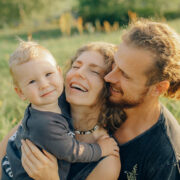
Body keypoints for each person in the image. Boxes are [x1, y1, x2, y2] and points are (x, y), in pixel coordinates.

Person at [5, 19, 180, 180]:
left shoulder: (166, 157)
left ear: (158, 88)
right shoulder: (55, 104)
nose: (111, 77)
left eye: (124, 74)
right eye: (114, 65)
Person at [0, 41, 121, 180]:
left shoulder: (107, 162)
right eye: (76, 66)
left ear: (110, 88)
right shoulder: (44, 112)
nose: (79, 73)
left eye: (94, 71)